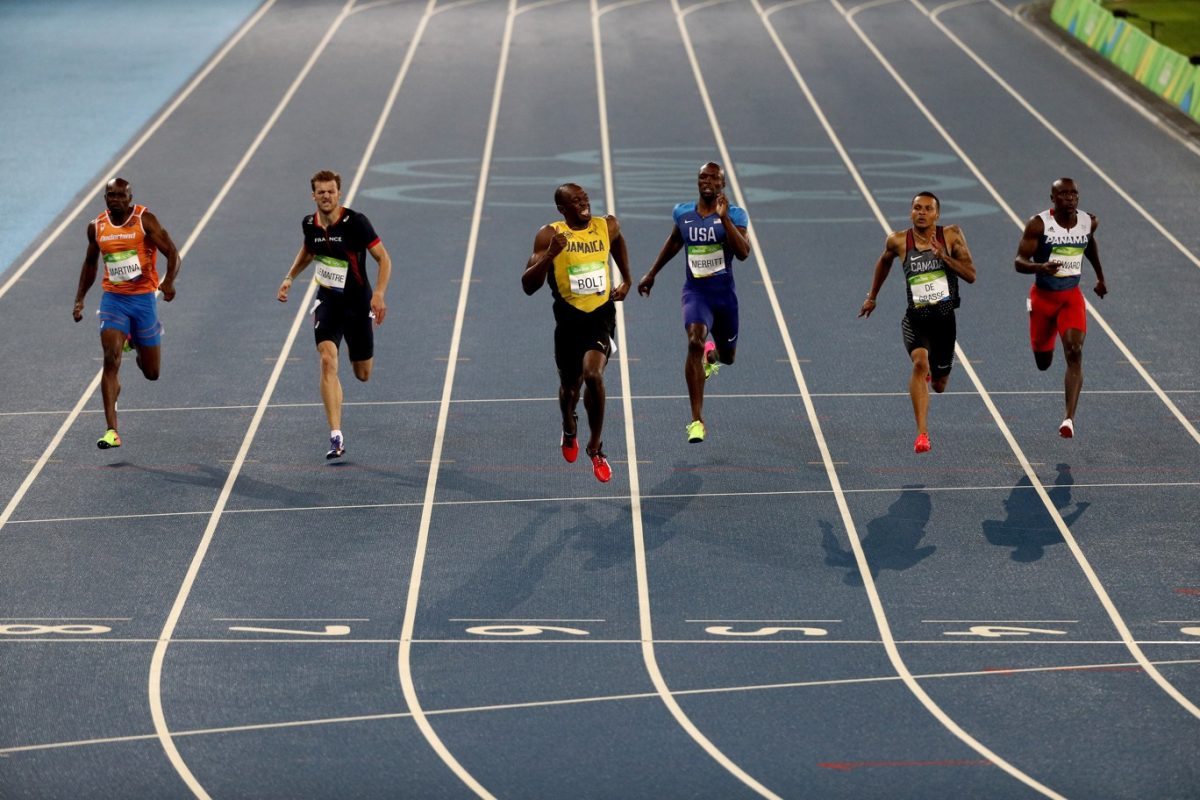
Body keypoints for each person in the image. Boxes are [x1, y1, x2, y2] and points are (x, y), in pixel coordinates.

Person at [278, 169, 391, 459]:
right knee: (328, 359)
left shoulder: (357, 223)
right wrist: (290, 277)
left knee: (362, 373)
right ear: (313, 195)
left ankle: (353, 368)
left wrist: (378, 294)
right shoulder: (309, 225)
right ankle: (336, 435)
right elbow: (308, 250)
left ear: (339, 193)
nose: (326, 196)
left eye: (331, 191)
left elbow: (383, 259)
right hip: (328, 302)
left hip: (358, 304)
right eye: (320, 192)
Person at [522, 183, 631, 482]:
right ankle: (569, 428)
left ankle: (595, 447)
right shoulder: (549, 235)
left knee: (594, 374)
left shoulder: (606, 225)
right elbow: (528, 285)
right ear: (562, 208)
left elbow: (618, 240)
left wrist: (627, 278)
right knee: (570, 388)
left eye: (585, 198)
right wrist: (549, 256)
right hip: (568, 320)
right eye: (575, 201)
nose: (584, 204)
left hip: (600, 315)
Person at [637, 162, 750, 444]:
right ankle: (696, 420)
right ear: (697, 182)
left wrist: (724, 220)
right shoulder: (683, 213)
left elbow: (744, 252)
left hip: (724, 298)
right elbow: (675, 241)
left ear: (722, 184)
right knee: (694, 340)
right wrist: (652, 273)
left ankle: (712, 358)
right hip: (696, 294)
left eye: (713, 177)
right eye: (703, 177)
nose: (707, 181)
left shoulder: (735, 215)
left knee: (728, 358)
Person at [859, 191, 976, 453]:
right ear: (911, 211)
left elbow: (971, 275)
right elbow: (884, 261)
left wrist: (943, 257)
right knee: (919, 363)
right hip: (916, 320)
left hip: (945, 322)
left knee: (940, 385)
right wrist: (872, 297)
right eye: (916, 208)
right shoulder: (898, 241)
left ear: (937, 214)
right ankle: (922, 434)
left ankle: (934, 372)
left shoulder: (952, 235)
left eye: (927, 209)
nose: (921, 213)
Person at [73, 177, 180, 449]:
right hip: (114, 300)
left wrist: (168, 282)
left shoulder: (145, 220)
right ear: (105, 198)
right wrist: (80, 299)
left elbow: (172, 253)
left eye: (122, 196)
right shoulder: (96, 227)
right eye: (112, 196)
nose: (116, 200)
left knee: (152, 372)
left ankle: (136, 343)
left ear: (130, 198)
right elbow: (90, 263)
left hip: (143, 301)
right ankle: (112, 430)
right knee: (110, 359)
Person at [1014, 177, 1106, 438]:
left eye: (1074, 193)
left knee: (1075, 351)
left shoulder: (1089, 221)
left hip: (1070, 298)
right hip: (1043, 299)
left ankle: (1068, 419)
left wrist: (1100, 277)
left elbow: (1089, 245)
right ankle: (1046, 341)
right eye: (1063, 194)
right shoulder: (1039, 224)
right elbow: (1019, 261)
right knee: (1043, 362)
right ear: (1052, 199)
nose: (1070, 198)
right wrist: (1040, 267)